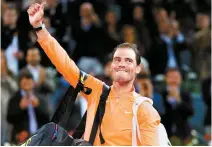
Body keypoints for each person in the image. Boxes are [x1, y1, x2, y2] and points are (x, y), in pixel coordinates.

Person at [27, 2, 160, 145]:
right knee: (50, 132)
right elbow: (65, 65)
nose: (122, 64)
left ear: (138, 68)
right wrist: (40, 28)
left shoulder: (144, 109)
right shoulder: (97, 91)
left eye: (128, 60)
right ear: (110, 67)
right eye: (117, 60)